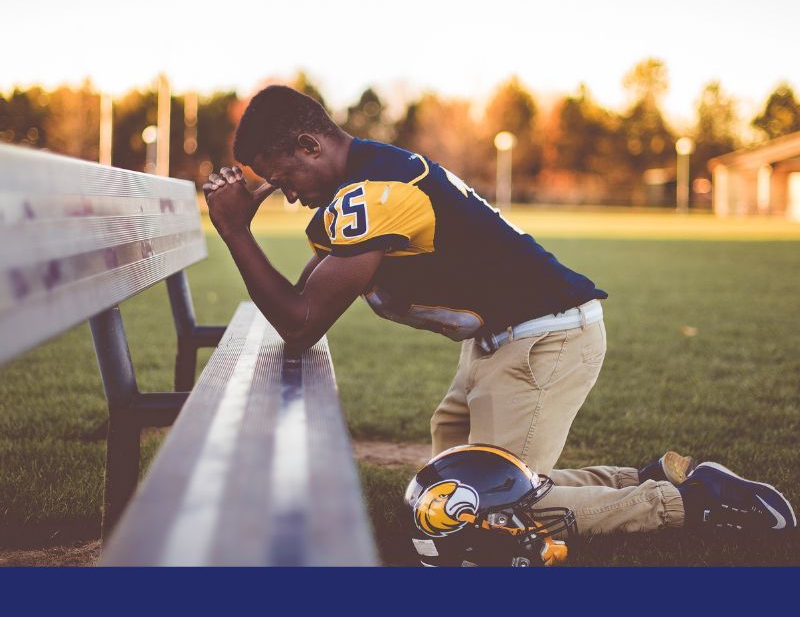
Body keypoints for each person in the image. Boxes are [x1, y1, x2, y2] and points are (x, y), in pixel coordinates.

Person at [203, 85, 796, 537]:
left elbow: (302, 322)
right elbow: (305, 300)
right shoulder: (365, 179)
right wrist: (242, 231)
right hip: (505, 340)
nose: (286, 192)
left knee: (490, 509)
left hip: (543, 339)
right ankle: (651, 478)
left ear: (311, 144)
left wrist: (235, 233)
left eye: (284, 176)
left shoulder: (374, 192)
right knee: (453, 490)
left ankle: (690, 504)